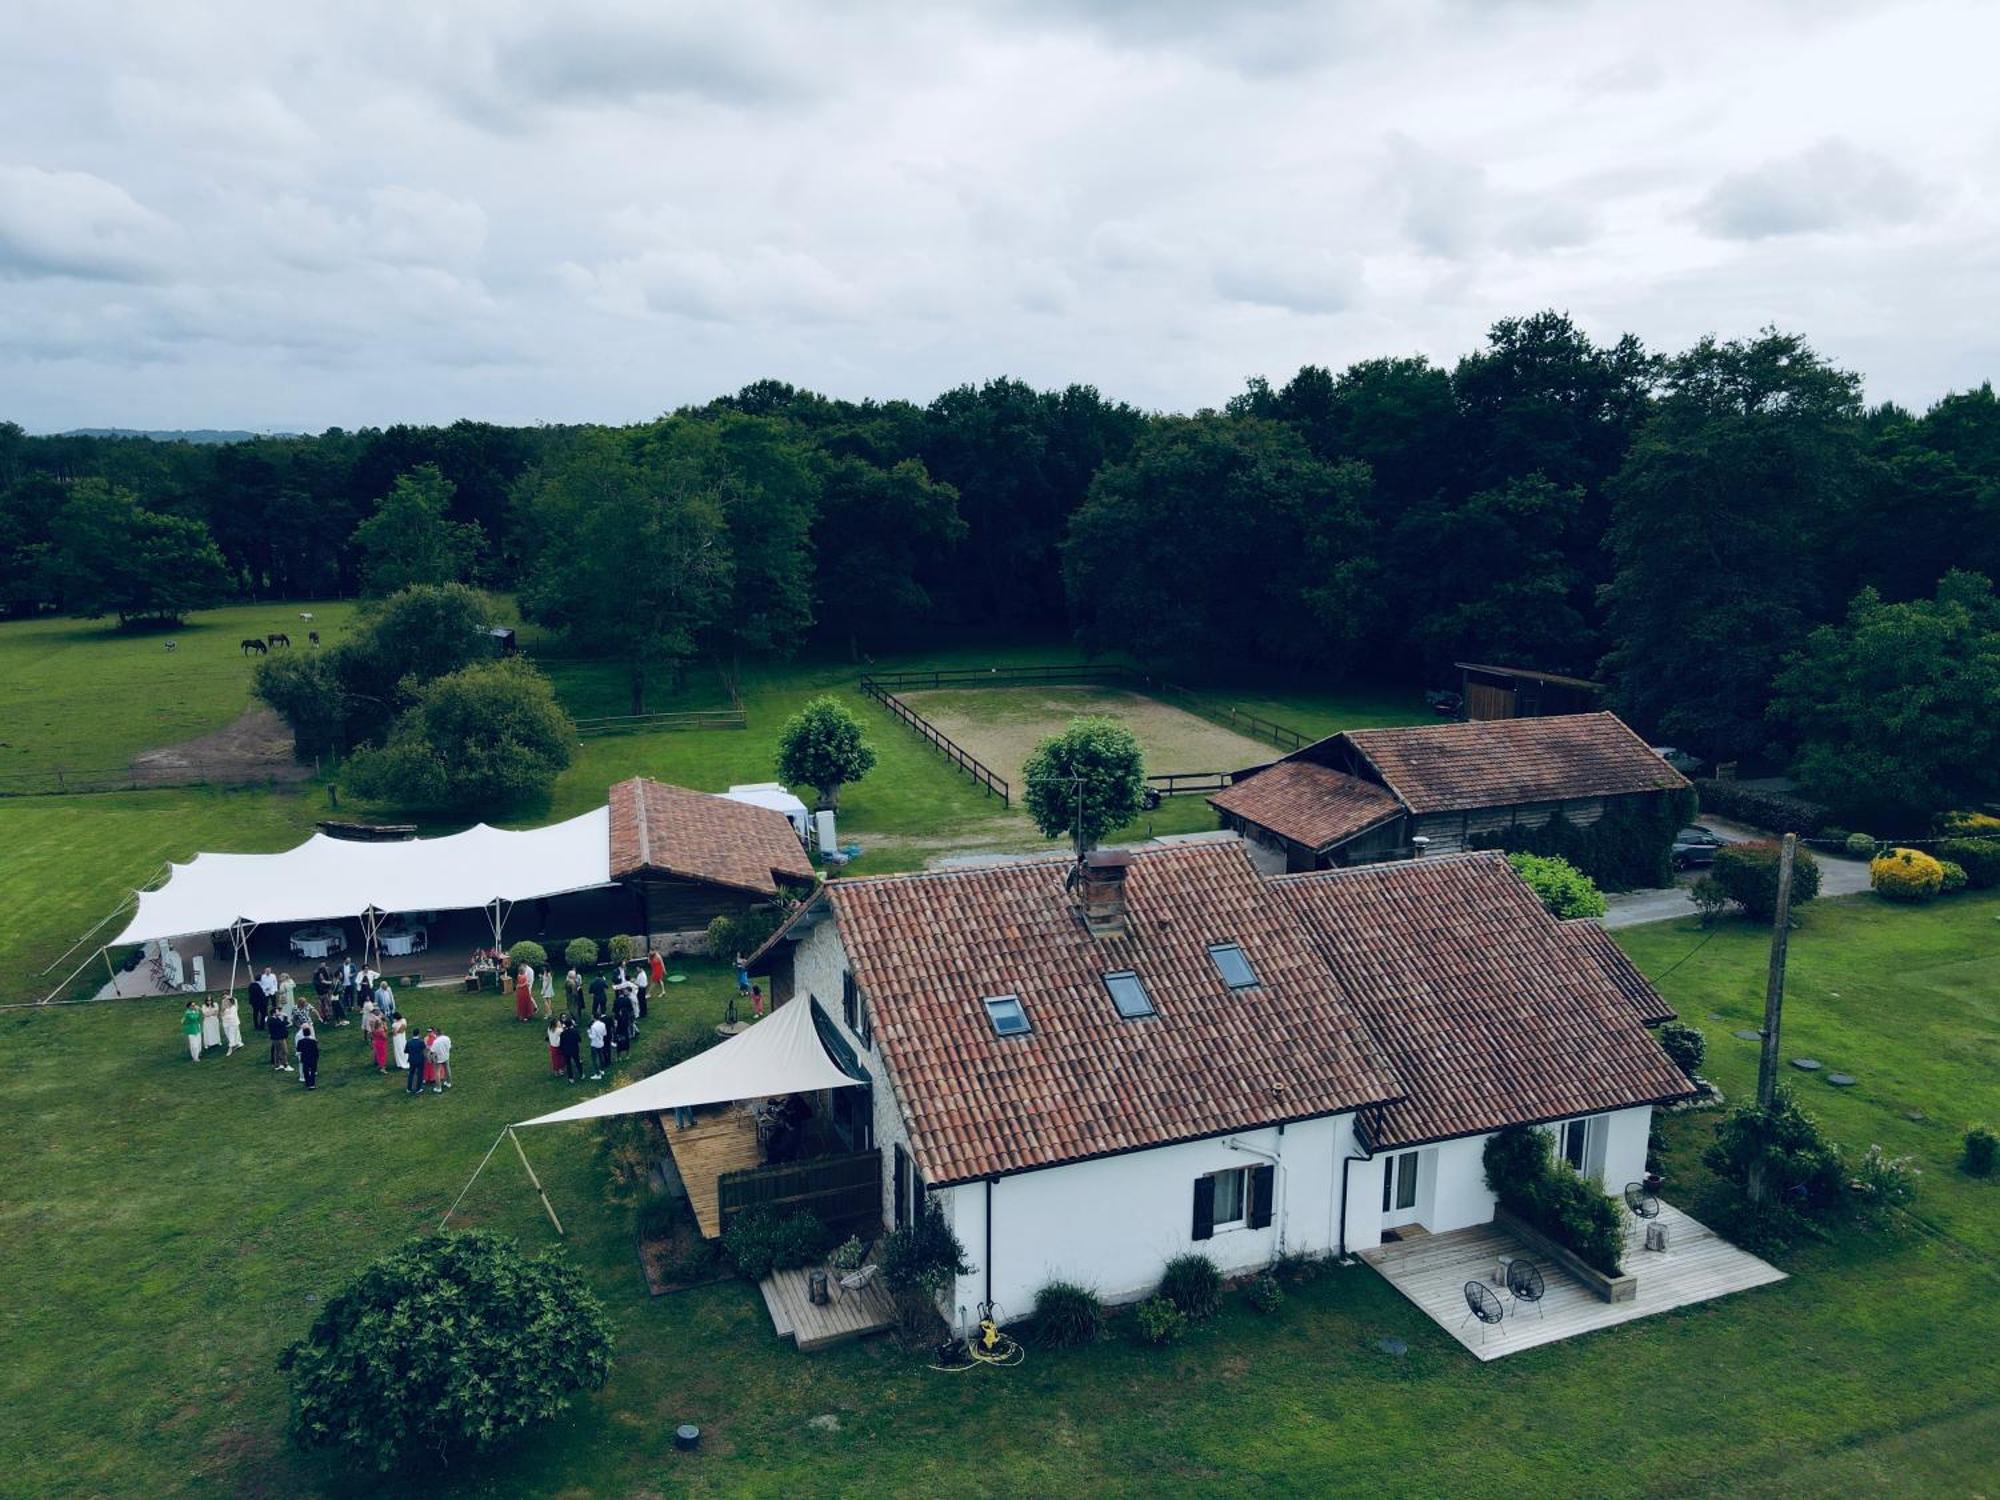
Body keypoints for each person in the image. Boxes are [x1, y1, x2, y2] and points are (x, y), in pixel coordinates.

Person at [296, 1018, 320, 1089]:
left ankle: (307, 1084)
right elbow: (316, 1050)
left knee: (306, 1071)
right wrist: (317, 1057)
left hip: (305, 1058)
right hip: (312, 1058)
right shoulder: (313, 1041)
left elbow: (299, 1050)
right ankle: (312, 1084)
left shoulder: (301, 1041)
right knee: (312, 1072)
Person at [267, 1003, 292, 1072]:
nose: (280, 1012)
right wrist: (285, 1017)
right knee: (284, 1051)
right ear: (274, 1013)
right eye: (278, 1011)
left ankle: (277, 1065)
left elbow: (286, 1023)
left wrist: (283, 1019)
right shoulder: (272, 1020)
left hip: (278, 1037)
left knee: (277, 1052)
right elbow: (282, 1024)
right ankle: (286, 1065)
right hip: (279, 1038)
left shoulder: (275, 1018)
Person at [404, 1025, 427, 1096]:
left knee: (411, 1073)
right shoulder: (421, 1042)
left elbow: (405, 1051)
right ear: (419, 1034)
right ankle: (418, 1088)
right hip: (420, 1060)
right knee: (420, 1074)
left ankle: (409, 1088)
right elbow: (424, 1050)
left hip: (412, 1060)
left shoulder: (409, 1042)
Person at [559, 1014, 582, 1082]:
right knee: (577, 1062)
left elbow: (561, 1043)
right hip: (575, 1049)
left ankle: (571, 1078)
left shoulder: (563, 1033)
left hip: (566, 1051)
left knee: (568, 1064)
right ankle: (581, 1074)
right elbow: (579, 1040)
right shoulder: (575, 1032)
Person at [587, 1014, 608, 1080]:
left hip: (595, 1044)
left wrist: (589, 1033)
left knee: (594, 1059)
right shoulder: (603, 1024)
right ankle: (602, 1070)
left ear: (594, 1018)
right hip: (601, 1043)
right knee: (601, 1056)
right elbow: (605, 1033)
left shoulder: (593, 1026)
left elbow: (592, 1037)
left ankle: (597, 1074)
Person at [368, 1005, 389, 1073]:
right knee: (381, 1054)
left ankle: (378, 1063)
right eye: (377, 1010)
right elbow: (384, 1036)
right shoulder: (372, 1019)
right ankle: (381, 1066)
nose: (379, 1012)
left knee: (378, 1053)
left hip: (376, 1038)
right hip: (379, 1040)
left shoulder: (379, 1016)